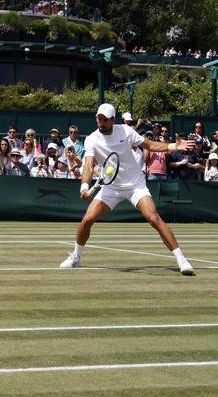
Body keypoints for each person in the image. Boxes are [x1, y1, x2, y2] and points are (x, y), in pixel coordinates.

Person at [59, 103, 197, 275]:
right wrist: (84, 186)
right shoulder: (92, 139)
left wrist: (172, 146)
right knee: (87, 220)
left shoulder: (125, 130)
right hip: (111, 187)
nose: (101, 122)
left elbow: (149, 145)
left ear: (112, 120)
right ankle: (76, 258)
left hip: (135, 185)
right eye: (98, 119)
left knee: (153, 218)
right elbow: (88, 165)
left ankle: (181, 260)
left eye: (104, 120)